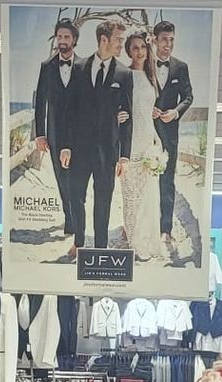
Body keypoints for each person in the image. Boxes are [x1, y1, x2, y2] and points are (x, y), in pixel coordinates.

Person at [32, 17, 87, 253]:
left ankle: (75, 219)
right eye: (59, 36)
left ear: (74, 40)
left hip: (78, 135)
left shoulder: (85, 66)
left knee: (75, 180)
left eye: (66, 37)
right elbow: (40, 103)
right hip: (54, 133)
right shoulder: (46, 67)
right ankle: (69, 216)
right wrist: (40, 134)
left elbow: (88, 104)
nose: (62, 41)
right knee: (61, 180)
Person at [78, 20, 129, 253]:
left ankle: (100, 245)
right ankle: (78, 241)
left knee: (103, 199)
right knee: (77, 196)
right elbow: (71, 111)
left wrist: (124, 156)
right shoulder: (80, 67)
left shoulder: (124, 73)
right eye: (118, 39)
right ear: (103, 40)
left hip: (108, 150)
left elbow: (127, 118)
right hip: (80, 147)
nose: (122, 44)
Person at [119, 33, 169, 263]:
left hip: (149, 139)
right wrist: (115, 116)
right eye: (134, 48)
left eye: (142, 47)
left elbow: (147, 110)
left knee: (148, 195)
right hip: (130, 142)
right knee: (131, 195)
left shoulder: (151, 77)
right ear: (129, 51)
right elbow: (115, 105)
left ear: (147, 50)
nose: (139, 51)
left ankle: (147, 240)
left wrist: (157, 136)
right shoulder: (124, 74)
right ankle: (132, 243)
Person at [151, 19, 194, 255]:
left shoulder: (181, 67)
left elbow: (188, 96)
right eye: (165, 40)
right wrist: (149, 109)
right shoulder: (144, 64)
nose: (168, 44)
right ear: (155, 40)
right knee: (144, 182)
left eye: (172, 40)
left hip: (170, 134)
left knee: (167, 182)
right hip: (145, 134)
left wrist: (175, 112)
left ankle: (165, 229)